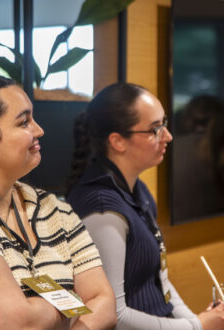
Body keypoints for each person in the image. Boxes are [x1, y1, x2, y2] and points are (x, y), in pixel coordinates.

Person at [66, 82, 224, 330]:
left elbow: (161, 281)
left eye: (165, 124)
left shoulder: (137, 189)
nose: (168, 136)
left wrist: (194, 321)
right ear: (118, 141)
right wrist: (197, 326)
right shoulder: (102, 208)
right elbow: (114, 316)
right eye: (155, 129)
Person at [0, 74, 117, 330]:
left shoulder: (53, 208)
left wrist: (41, 314)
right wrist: (68, 306)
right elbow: (13, 322)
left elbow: (105, 304)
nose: (39, 130)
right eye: (24, 122)